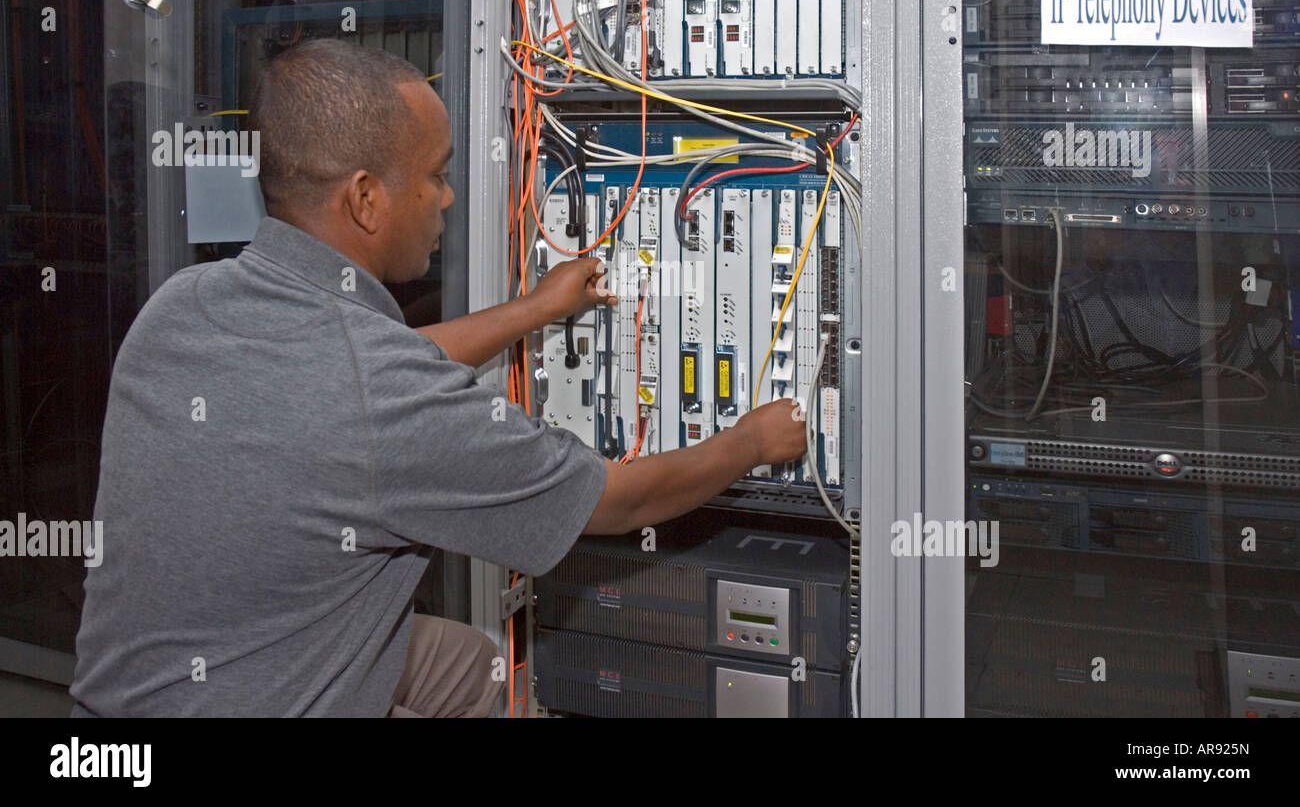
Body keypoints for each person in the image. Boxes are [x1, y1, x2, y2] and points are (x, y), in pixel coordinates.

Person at [69, 38, 808, 717]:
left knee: (472, 666)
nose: (449, 197)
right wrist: (750, 440)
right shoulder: (376, 393)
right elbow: (616, 502)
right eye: (436, 173)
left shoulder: (178, 306)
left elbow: (370, 374)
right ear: (365, 198)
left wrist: (533, 309)